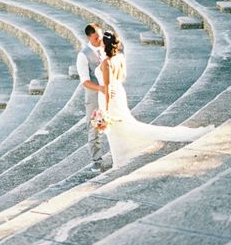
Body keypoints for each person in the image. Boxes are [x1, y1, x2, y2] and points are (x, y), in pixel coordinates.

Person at [96, 30, 214, 169]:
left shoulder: (106, 63)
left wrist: (107, 110)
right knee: (123, 125)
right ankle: (121, 158)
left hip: (110, 97)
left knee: (116, 129)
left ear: (105, 44)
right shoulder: (120, 57)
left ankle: (119, 161)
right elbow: (123, 76)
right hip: (119, 93)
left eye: (102, 43)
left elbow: (107, 87)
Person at [76, 23, 107, 173]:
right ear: (89, 37)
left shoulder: (104, 48)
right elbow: (85, 81)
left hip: (107, 94)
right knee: (95, 127)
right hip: (94, 96)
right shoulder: (83, 55)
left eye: (100, 37)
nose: (100, 40)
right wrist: (100, 88)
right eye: (96, 38)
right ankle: (96, 160)